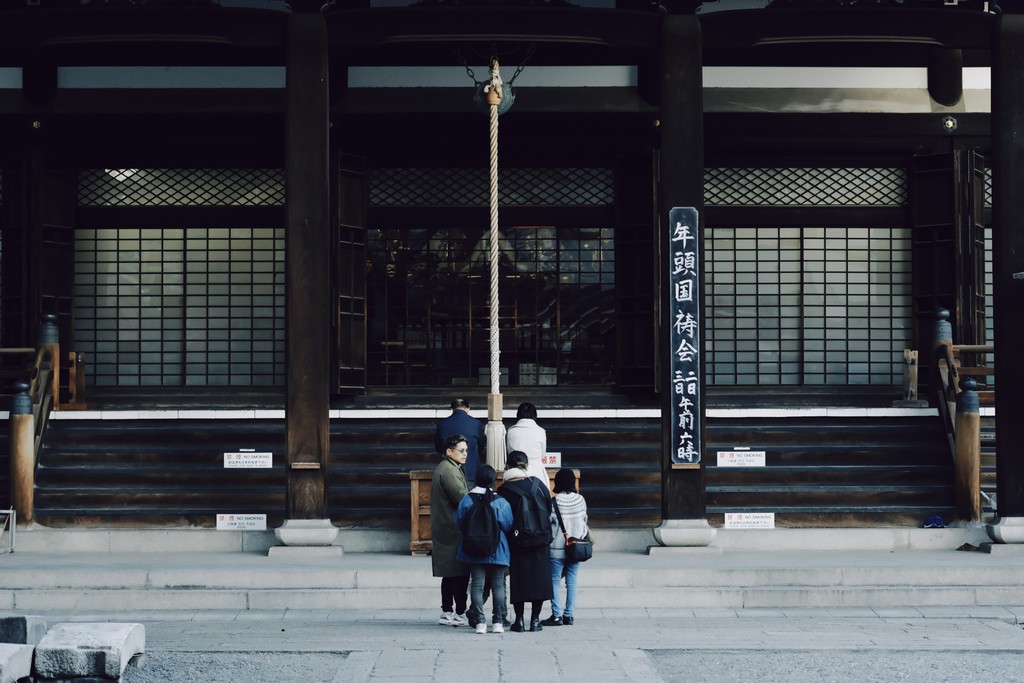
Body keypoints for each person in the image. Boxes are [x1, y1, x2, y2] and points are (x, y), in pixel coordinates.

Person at [498, 450, 554, 632]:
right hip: (540, 539)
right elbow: (548, 508)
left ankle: (519, 621)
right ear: (527, 465)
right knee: (540, 579)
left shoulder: (504, 490)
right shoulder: (539, 485)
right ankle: (535, 620)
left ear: (507, 466)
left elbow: (503, 517)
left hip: (517, 540)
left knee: (519, 580)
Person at [455, 464, 513, 634]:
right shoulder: (501, 502)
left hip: (473, 547)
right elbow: (508, 525)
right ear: (494, 480)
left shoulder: (467, 499)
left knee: (477, 585)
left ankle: (480, 622)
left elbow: (459, 523)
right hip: (498, 548)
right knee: (498, 586)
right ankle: (498, 622)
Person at [431, 434, 471, 628]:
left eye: (466, 450)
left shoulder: (449, 467)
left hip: (448, 528)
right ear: (449, 452)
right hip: (453, 529)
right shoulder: (449, 470)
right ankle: (458, 612)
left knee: (450, 574)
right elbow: (463, 497)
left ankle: (448, 611)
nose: (465, 454)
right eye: (461, 450)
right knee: (459, 573)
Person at [543, 468, 589, 626]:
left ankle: (556, 615)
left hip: (556, 548)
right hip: (575, 547)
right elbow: (584, 522)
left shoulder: (554, 502)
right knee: (572, 580)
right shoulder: (580, 500)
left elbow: (549, 525)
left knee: (554, 580)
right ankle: (569, 615)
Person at [435, 398, 487, 485]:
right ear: (468, 408)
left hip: (448, 470)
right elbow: (481, 446)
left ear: (452, 409)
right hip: (470, 471)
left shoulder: (442, 424)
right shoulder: (476, 423)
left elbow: (438, 447)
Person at [505, 401, 549, 484]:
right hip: (537, 474)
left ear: (518, 415)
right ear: (535, 415)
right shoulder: (541, 431)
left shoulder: (511, 431)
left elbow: (510, 453)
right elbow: (542, 454)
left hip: (515, 475)